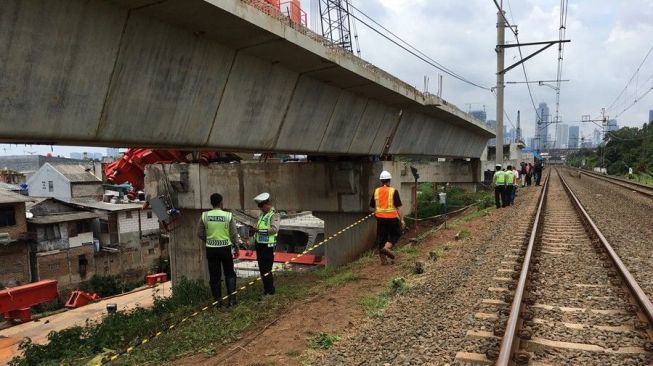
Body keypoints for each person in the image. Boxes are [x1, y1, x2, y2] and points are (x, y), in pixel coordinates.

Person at [197, 193, 241, 307]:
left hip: (211, 250)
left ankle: (218, 302)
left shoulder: (204, 215)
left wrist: (210, 240)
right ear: (221, 203)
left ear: (211, 203)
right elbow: (233, 234)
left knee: (214, 276)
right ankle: (232, 300)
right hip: (225, 248)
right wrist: (236, 246)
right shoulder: (228, 215)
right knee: (229, 274)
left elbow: (200, 233)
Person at [370, 171, 405, 264]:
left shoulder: (376, 191)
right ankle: (387, 248)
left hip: (380, 218)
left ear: (381, 181)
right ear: (389, 180)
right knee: (397, 233)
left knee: (382, 237)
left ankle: (383, 260)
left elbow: (372, 207)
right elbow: (399, 207)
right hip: (392, 218)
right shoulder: (393, 191)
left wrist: (377, 215)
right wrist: (402, 220)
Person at [252, 192, 281, 296]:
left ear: (267, 204)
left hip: (268, 246)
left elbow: (274, 229)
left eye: (261, 206)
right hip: (260, 245)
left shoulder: (274, 215)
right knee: (262, 269)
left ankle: (270, 291)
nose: (260, 208)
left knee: (267, 270)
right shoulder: (262, 215)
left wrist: (259, 230)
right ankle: (266, 290)